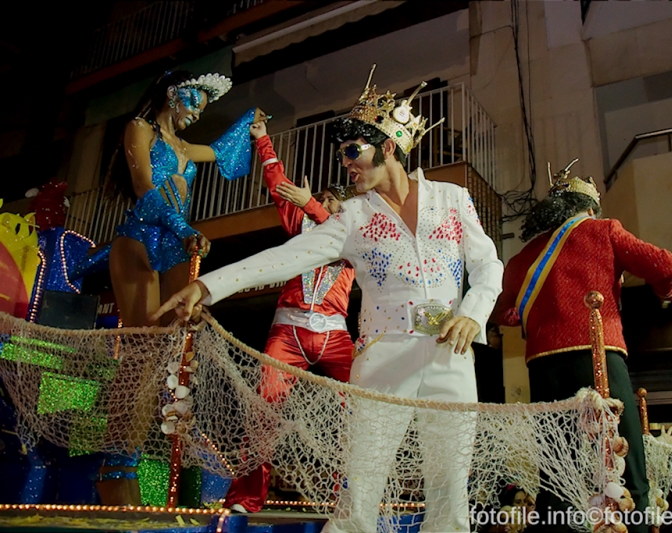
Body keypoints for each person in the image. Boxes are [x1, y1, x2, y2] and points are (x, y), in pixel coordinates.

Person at [154, 65, 504, 533]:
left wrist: (472, 315)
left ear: (389, 148)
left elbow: (488, 266)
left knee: (450, 493)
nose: (346, 163)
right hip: (382, 357)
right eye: (342, 155)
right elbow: (286, 257)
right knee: (361, 491)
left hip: (451, 351)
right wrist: (207, 285)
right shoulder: (353, 217)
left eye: (353, 151)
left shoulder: (453, 198)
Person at [87, 70, 262, 506]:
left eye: (203, 108)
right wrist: (187, 227)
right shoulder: (139, 128)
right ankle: (114, 469)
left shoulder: (187, 148)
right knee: (140, 356)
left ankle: (131, 459)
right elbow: (146, 189)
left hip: (175, 249)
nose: (196, 113)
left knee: (165, 358)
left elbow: (222, 152)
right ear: (173, 93)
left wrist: (252, 122)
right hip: (140, 241)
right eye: (193, 103)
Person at [492, 159, 672, 533]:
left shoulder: (523, 257)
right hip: (599, 356)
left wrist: (544, 316)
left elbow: (504, 312)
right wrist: (670, 287)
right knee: (625, 465)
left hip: (543, 369)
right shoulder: (603, 230)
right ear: (589, 208)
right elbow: (663, 266)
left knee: (555, 472)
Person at [223, 120, 356, 514]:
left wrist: (312, 202)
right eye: (323, 198)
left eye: (333, 201)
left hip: (334, 336)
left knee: (362, 409)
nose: (324, 205)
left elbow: (339, 229)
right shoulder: (300, 226)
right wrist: (263, 137)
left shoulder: (354, 237)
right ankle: (247, 497)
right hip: (288, 332)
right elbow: (277, 180)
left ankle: (347, 496)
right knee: (263, 411)